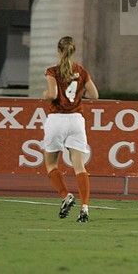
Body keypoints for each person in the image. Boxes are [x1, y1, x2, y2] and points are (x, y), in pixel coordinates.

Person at [42, 36, 99, 222]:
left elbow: (52, 94)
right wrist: (78, 96)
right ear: (73, 51)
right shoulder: (80, 70)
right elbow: (95, 95)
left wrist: (45, 96)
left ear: (59, 51)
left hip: (57, 119)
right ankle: (85, 208)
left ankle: (66, 195)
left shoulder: (53, 71)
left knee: (51, 164)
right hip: (76, 120)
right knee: (79, 166)